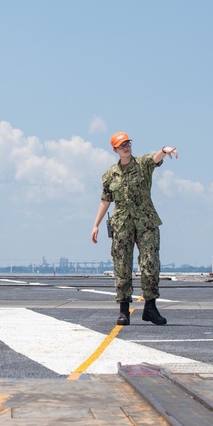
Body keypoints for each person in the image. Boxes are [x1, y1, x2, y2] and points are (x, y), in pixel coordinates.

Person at [91, 132, 178, 326]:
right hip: (122, 225)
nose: (126, 147)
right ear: (115, 150)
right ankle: (124, 310)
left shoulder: (142, 164)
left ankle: (150, 308)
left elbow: (155, 158)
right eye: (122, 145)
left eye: (128, 144)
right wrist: (95, 224)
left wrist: (165, 149)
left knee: (150, 264)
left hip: (146, 223)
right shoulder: (109, 174)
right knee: (122, 266)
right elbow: (105, 200)